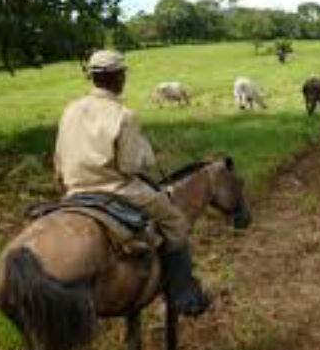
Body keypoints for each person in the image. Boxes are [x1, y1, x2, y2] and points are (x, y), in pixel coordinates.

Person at [53, 49, 209, 316]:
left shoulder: (70, 109)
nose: (124, 78)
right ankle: (183, 293)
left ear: (93, 78)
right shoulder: (124, 115)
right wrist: (146, 156)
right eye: (122, 74)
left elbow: (58, 159)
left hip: (74, 192)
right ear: (117, 77)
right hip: (119, 190)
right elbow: (128, 167)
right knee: (175, 222)